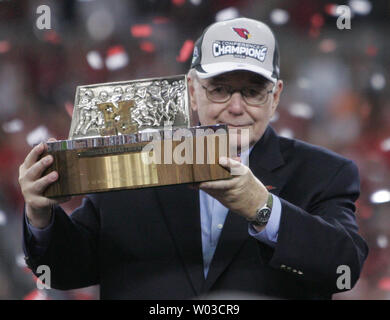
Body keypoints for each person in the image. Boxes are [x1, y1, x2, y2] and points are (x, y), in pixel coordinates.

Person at [19, 17, 368, 299]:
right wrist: (40, 214)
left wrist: (264, 208)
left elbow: (344, 270)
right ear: (191, 90)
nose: (235, 107)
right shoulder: (133, 157)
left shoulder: (324, 172)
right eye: (218, 89)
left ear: (275, 96)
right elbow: (67, 270)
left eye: (252, 91)